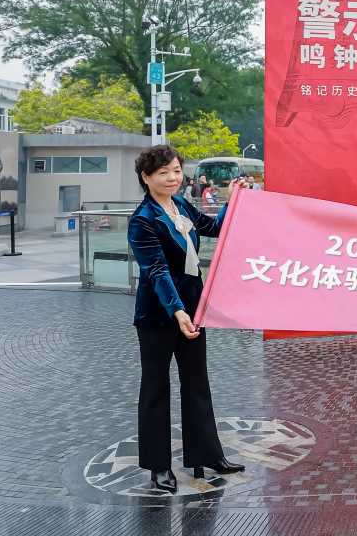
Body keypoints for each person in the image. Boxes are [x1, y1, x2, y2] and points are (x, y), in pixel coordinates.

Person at [128, 144, 246, 493]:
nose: (172, 178)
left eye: (177, 171)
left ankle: (206, 455)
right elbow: (156, 270)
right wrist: (177, 310)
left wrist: (232, 199)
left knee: (197, 383)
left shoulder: (180, 205)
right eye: (163, 172)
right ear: (146, 177)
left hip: (194, 308)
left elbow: (214, 227)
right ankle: (158, 466)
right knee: (155, 387)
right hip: (159, 314)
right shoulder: (143, 220)